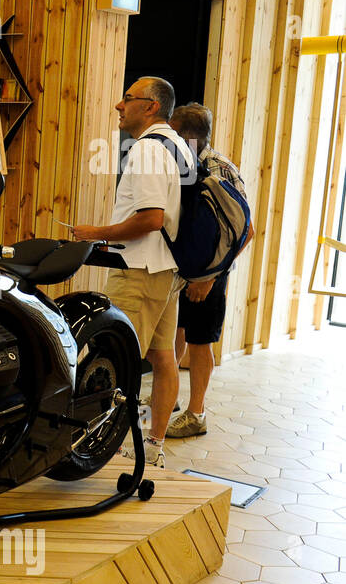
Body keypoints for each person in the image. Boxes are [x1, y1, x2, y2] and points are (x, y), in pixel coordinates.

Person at [73, 76, 190, 468]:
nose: (119, 106)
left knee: (117, 358)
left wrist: (95, 233)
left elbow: (152, 218)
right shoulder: (178, 147)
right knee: (162, 357)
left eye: (127, 99)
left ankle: (104, 446)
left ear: (151, 106)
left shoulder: (147, 151)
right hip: (167, 270)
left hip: (139, 271)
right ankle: (152, 446)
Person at [165, 103, 252, 439]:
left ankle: (196, 413)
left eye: (172, 131)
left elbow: (246, 231)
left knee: (201, 342)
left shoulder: (218, 170)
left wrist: (211, 278)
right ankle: (168, 398)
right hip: (186, 268)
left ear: (188, 136)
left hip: (210, 273)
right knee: (176, 332)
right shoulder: (187, 164)